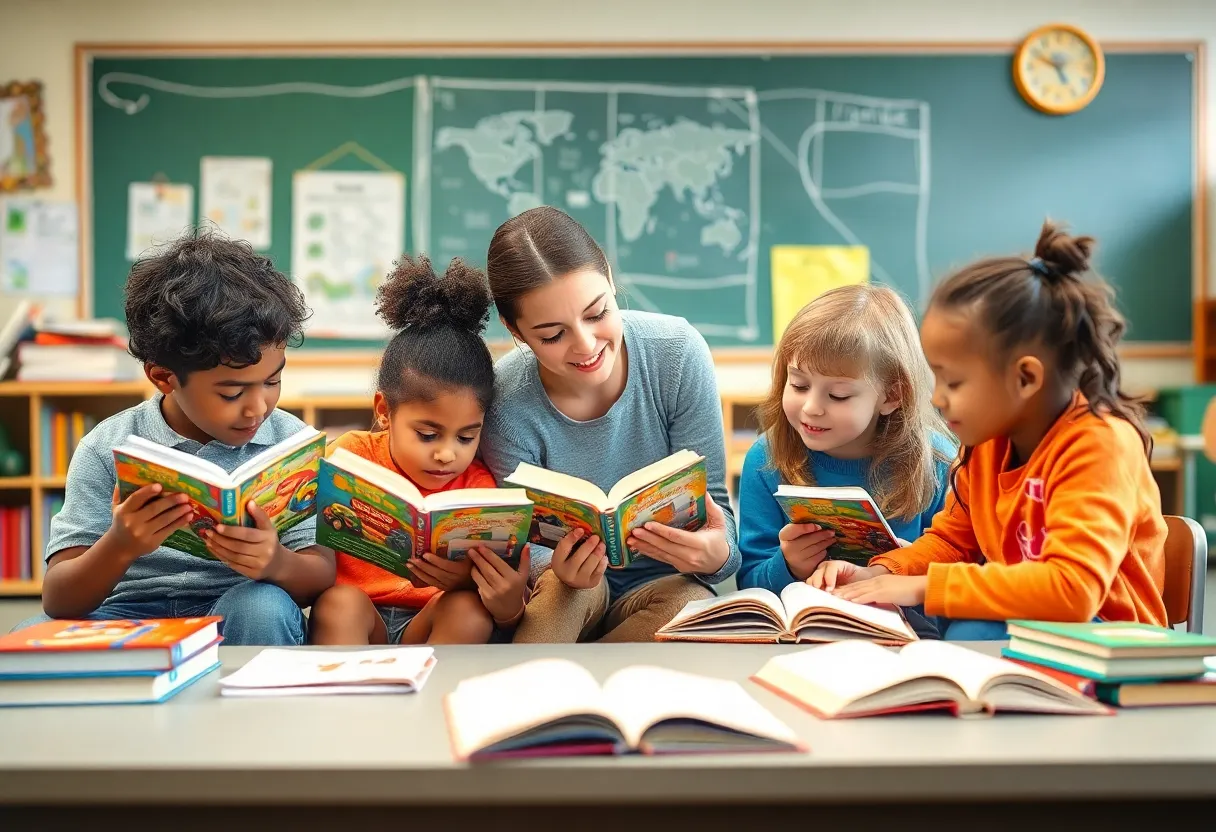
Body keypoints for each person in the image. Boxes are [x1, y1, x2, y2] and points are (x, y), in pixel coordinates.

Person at [810, 221, 1169, 638]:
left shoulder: (1100, 444)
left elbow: (1073, 590)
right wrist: (878, 572)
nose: (937, 399)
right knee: (935, 626)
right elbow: (951, 541)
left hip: (1110, 643)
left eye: (954, 382)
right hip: (1028, 626)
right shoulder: (987, 442)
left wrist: (922, 587)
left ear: (1025, 378)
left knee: (968, 630)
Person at [17, 233, 333, 645]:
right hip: (127, 611)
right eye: (232, 393)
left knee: (263, 606)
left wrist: (274, 561)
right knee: (28, 635)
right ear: (163, 377)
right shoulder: (106, 448)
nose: (258, 407)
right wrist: (120, 544)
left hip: (234, 604)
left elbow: (320, 575)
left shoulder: (292, 446)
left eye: (273, 381)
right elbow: (59, 598)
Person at [480, 206, 738, 642]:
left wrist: (715, 555)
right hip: (567, 588)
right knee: (566, 595)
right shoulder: (505, 400)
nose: (586, 345)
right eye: (552, 335)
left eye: (598, 313)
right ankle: (535, 697)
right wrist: (556, 567)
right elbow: (524, 543)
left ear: (612, 281)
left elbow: (718, 517)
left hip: (664, 586)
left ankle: (592, 694)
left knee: (688, 607)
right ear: (516, 331)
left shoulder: (676, 354)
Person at [308, 255, 530, 645]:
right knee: (340, 602)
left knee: (468, 609)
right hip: (362, 619)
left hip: (432, 623)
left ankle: (435, 704)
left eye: (466, 437)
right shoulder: (349, 457)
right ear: (384, 412)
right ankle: (344, 704)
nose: (447, 454)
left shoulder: (479, 486)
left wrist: (477, 584)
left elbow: (504, 607)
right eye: (428, 435)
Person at [736, 285, 954, 616]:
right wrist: (790, 566)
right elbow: (751, 586)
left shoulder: (935, 462)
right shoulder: (767, 458)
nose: (810, 407)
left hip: (905, 644)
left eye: (837, 396)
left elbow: (964, 580)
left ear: (892, 396)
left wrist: (913, 569)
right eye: (798, 385)